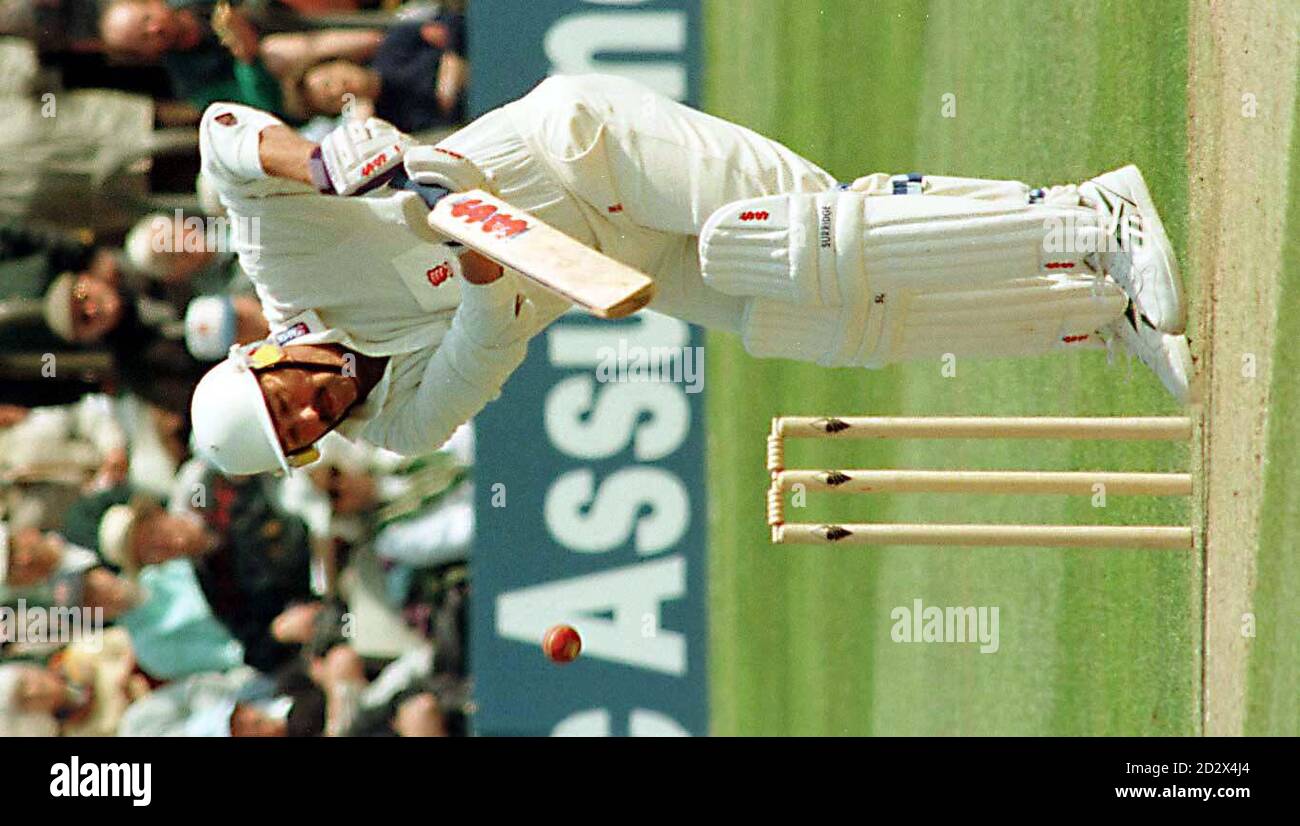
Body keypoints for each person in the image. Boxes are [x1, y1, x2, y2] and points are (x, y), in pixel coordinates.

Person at [190, 74, 1193, 476]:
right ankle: (1092, 305)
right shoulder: (394, 429)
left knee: (792, 239)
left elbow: (224, 137)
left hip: (588, 150)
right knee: (821, 320)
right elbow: (486, 342)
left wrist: (317, 163)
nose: (314, 413)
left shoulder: (284, 257)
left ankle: (1084, 219)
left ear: (260, 354)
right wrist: (478, 260)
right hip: (608, 264)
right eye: (299, 439)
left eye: (287, 402)